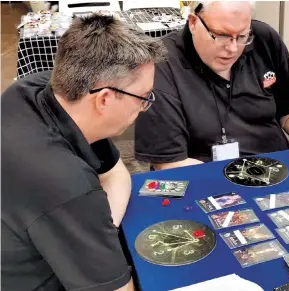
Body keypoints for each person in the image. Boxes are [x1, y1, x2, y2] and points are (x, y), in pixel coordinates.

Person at [1, 14, 167, 290]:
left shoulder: (36, 89)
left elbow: (117, 175)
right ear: (104, 99)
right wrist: (91, 235)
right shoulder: (68, 186)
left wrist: (97, 236)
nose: (145, 107)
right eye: (144, 97)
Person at [134, 1, 289, 170]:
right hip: (207, 177)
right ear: (192, 23)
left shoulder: (264, 39)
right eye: (221, 35)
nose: (233, 48)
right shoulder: (161, 63)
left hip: (275, 166)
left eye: (242, 36)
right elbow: (170, 163)